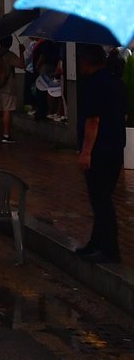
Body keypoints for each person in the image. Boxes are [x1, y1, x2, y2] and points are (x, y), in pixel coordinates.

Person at [75, 45, 127, 264]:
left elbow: (93, 120)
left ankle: (110, 250)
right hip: (116, 148)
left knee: (101, 201)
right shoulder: (117, 82)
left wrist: (86, 152)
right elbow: (123, 115)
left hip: (99, 150)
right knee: (102, 198)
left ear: (87, 61)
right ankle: (96, 242)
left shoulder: (95, 84)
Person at [0, 39, 23, 143]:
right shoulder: (10, 55)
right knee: (7, 110)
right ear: (10, 43)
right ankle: (6, 135)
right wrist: (21, 51)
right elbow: (22, 65)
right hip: (7, 87)